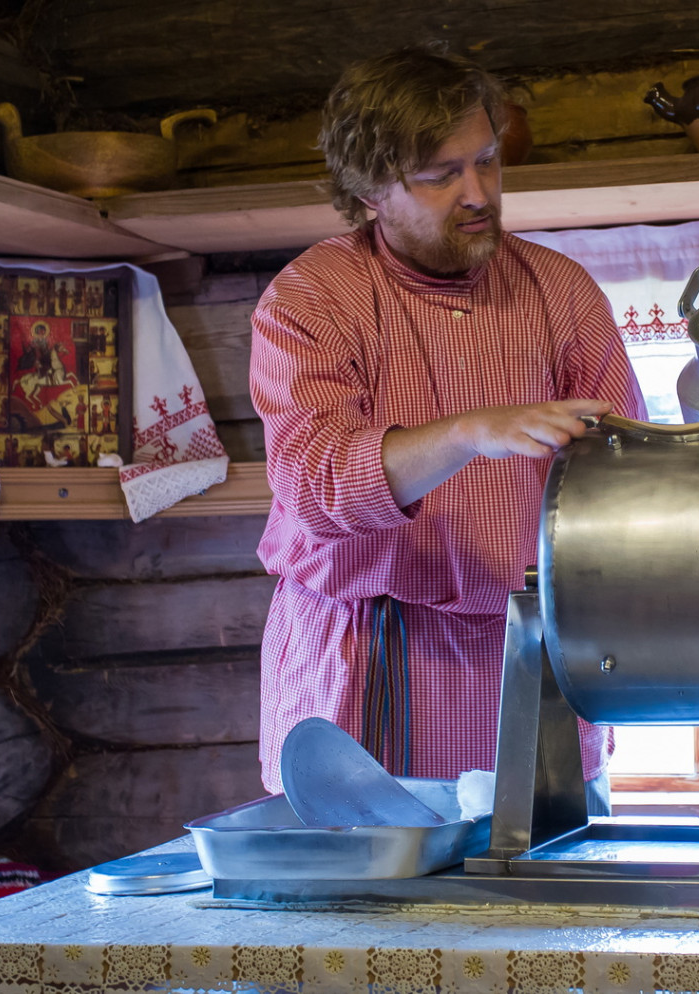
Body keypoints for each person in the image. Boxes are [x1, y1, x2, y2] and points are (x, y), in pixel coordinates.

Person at [248, 45, 643, 809]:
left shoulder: (561, 292)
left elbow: (623, 481)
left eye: (488, 163)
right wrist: (468, 433)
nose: (479, 193)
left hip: (525, 657)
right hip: (369, 663)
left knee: (548, 915)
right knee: (374, 919)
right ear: (369, 190)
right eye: (440, 175)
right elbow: (316, 485)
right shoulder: (310, 299)